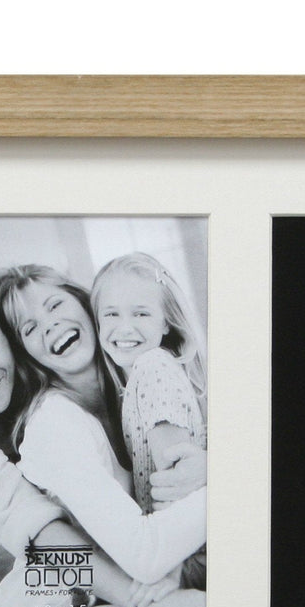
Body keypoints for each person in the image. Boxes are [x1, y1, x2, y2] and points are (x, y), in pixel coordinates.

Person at [0, 270, 204, 607]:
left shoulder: (129, 366)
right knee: (46, 578)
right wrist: (148, 603)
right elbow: (39, 535)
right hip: (64, 565)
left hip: (113, 547)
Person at [0, 264, 206, 607]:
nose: (49, 326)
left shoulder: (136, 380)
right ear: (25, 353)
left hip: (148, 583)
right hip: (66, 606)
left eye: (55, 305)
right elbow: (146, 557)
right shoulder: (53, 424)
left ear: (85, 304)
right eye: (29, 328)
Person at [91, 252, 208, 588]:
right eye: (111, 313)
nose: (124, 327)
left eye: (141, 313)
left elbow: (178, 484)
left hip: (185, 553)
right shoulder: (143, 375)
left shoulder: (152, 367)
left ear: (166, 322)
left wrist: (171, 573)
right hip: (178, 547)